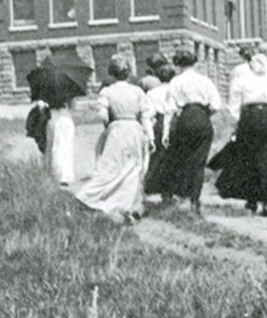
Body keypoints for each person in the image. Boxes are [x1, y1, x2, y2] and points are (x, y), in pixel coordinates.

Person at [212, 51, 267, 215]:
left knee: (248, 157)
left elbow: (233, 107)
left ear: (250, 65)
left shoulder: (241, 81)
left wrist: (238, 124)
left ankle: (252, 199)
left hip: (249, 118)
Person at [73, 56, 151, 221]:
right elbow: (145, 116)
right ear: (128, 73)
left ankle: (90, 196)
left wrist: (110, 124)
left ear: (112, 73)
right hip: (134, 130)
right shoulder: (137, 91)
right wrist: (149, 137)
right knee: (132, 169)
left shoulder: (107, 92)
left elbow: (102, 115)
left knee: (110, 166)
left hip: (116, 130)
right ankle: (126, 206)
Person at [152, 48, 221, 215]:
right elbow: (216, 105)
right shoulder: (205, 81)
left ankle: (183, 193)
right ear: (194, 62)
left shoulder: (176, 82)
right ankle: (195, 200)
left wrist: (167, 133)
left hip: (185, 118)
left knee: (183, 157)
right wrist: (204, 114)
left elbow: (169, 109)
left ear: (177, 64)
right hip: (202, 118)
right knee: (199, 162)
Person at [27, 55, 86, 187]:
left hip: (52, 116)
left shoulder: (45, 85)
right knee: (66, 146)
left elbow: (41, 104)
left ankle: (54, 174)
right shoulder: (67, 85)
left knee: (54, 145)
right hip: (65, 117)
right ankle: (66, 175)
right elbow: (73, 106)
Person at [142, 62, 178, 198]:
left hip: (160, 123)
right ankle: (170, 191)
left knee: (159, 158)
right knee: (174, 157)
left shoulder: (152, 93)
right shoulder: (177, 91)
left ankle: (159, 189)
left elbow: (147, 115)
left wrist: (150, 137)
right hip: (176, 123)